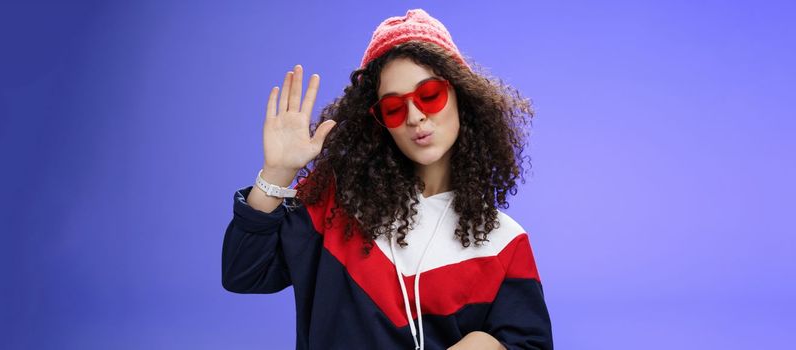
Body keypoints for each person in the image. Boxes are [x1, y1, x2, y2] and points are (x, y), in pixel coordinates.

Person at [222, 8, 552, 350]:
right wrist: (277, 173)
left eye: (430, 95)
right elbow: (244, 273)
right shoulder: (334, 204)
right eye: (393, 107)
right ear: (379, 123)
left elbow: (529, 343)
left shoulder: (504, 242)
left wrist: (485, 345)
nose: (414, 116)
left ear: (461, 97)